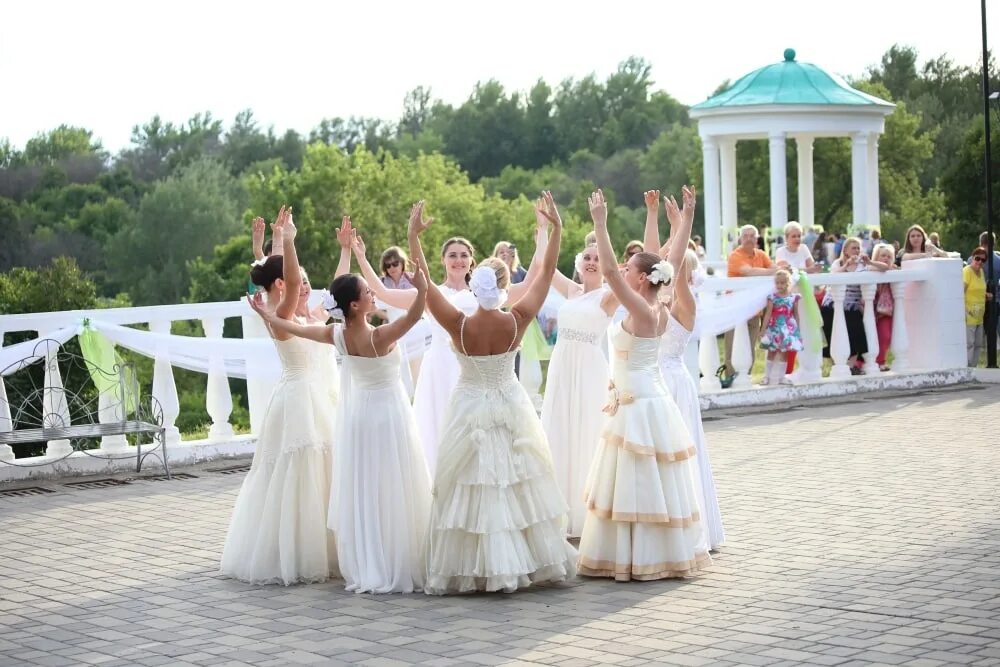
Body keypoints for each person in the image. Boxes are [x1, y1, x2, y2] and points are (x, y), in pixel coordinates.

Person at [407, 196, 577, 594]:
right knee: (515, 478)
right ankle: (526, 559)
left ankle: (476, 563)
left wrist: (413, 237)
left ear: (472, 285)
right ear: (502, 288)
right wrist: (557, 231)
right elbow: (547, 271)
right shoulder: (516, 320)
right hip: (508, 402)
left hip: (469, 404)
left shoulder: (459, 325)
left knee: (472, 481)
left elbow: (424, 282)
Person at [248, 262, 433, 594]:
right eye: (367, 292)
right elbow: (415, 314)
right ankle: (396, 557)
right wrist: (422, 288)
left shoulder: (336, 334)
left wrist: (267, 316)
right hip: (389, 418)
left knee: (366, 489)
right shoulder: (381, 335)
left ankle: (368, 559)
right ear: (354, 305)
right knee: (395, 486)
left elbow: (294, 328)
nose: (372, 294)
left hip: (358, 420)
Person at [577, 188, 710, 582]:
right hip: (646, 399)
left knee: (638, 480)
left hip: (639, 404)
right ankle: (643, 553)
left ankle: (641, 557)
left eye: (630, 266)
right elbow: (666, 259)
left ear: (639, 278)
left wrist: (600, 224)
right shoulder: (657, 301)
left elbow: (613, 273)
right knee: (643, 479)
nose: (623, 267)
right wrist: (683, 220)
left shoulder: (641, 308)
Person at [349, 216, 544, 477]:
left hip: (476, 372)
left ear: (472, 260)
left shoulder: (487, 294)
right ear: (443, 260)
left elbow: (529, 283)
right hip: (440, 367)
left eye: (464, 255)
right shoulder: (432, 295)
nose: (458, 260)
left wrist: (542, 236)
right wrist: (361, 257)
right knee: (439, 426)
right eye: (452, 255)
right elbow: (383, 294)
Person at [220, 207, 338, 586]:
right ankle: (295, 551)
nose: (301, 283)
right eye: (295, 279)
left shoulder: (294, 311)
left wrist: (344, 251)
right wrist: (287, 241)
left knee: (322, 471)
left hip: (317, 397)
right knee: (299, 471)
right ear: (279, 284)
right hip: (298, 400)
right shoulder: (278, 310)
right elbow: (282, 274)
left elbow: (330, 295)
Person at [651, 188, 726, 551]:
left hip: (673, 383)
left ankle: (688, 529)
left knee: (679, 455)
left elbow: (671, 267)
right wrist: (667, 223)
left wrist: (686, 221)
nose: (664, 267)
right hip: (650, 381)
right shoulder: (651, 302)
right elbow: (655, 261)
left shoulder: (685, 304)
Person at [538, 233, 618, 537]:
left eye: (598, 258)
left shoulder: (610, 295)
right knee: (560, 428)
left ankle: (589, 510)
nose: (592, 262)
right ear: (579, 263)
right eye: (587, 257)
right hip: (562, 366)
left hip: (589, 368)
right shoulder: (571, 291)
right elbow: (545, 266)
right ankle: (560, 507)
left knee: (588, 430)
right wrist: (544, 231)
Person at [720, 225, 776, 386]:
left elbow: (773, 267)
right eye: (746, 236)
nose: (749, 238)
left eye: (753, 235)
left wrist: (770, 270)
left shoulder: (761, 254)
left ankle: (746, 378)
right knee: (732, 346)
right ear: (740, 238)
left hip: (753, 310)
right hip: (735, 309)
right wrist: (769, 271)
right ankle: (731, 380)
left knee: (750, 346)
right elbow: (748, 272)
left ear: (757, 238)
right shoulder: (735, 256)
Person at [758, 269, 803, 386]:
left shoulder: (793, 298)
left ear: (788, 283)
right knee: (771, 352)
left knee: (784, 353)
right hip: (774, 328)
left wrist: (797, 329)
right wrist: (763, 329)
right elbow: (768, 314)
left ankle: (782, 377)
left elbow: (795, 314)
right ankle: (766, 376)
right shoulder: (772, 297)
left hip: (787, 329)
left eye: (782, 283)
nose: (779, 285)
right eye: (777, 283)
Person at [871, 243, 899, 372]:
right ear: (876, 257)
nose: (886, 258)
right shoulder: (870, 268)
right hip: (870, 306)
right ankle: (867, 362)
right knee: (871, 335)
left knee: (885, 335)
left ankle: (880, 360)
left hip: (885, 309)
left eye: (889, 256)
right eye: (883, 255)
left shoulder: (892, 270)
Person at [965, 247, 992, 367]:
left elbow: (978, 289)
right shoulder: (967, 271)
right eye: (977, 258)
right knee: (969, 343)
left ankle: (973, 367)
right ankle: (967, 367)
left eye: (983, 260)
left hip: (979, 315)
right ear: (972, 257)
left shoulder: (981, 272)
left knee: (978, 344)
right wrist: (965, 312)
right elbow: (961, 292)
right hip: (969, 314)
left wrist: (986, 295)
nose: (980, 262)